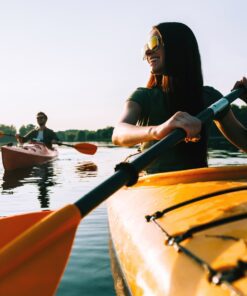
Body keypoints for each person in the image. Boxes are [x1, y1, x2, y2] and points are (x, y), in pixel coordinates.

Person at [112, 22, 247, 174]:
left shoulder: (210, 98)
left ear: (178, 47)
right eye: (146, 48)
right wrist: (158, 131)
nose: (148, 52)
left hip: (198, 182)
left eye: (154, 43)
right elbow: (118, 134)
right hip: (154, 185)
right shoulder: (143, 96)